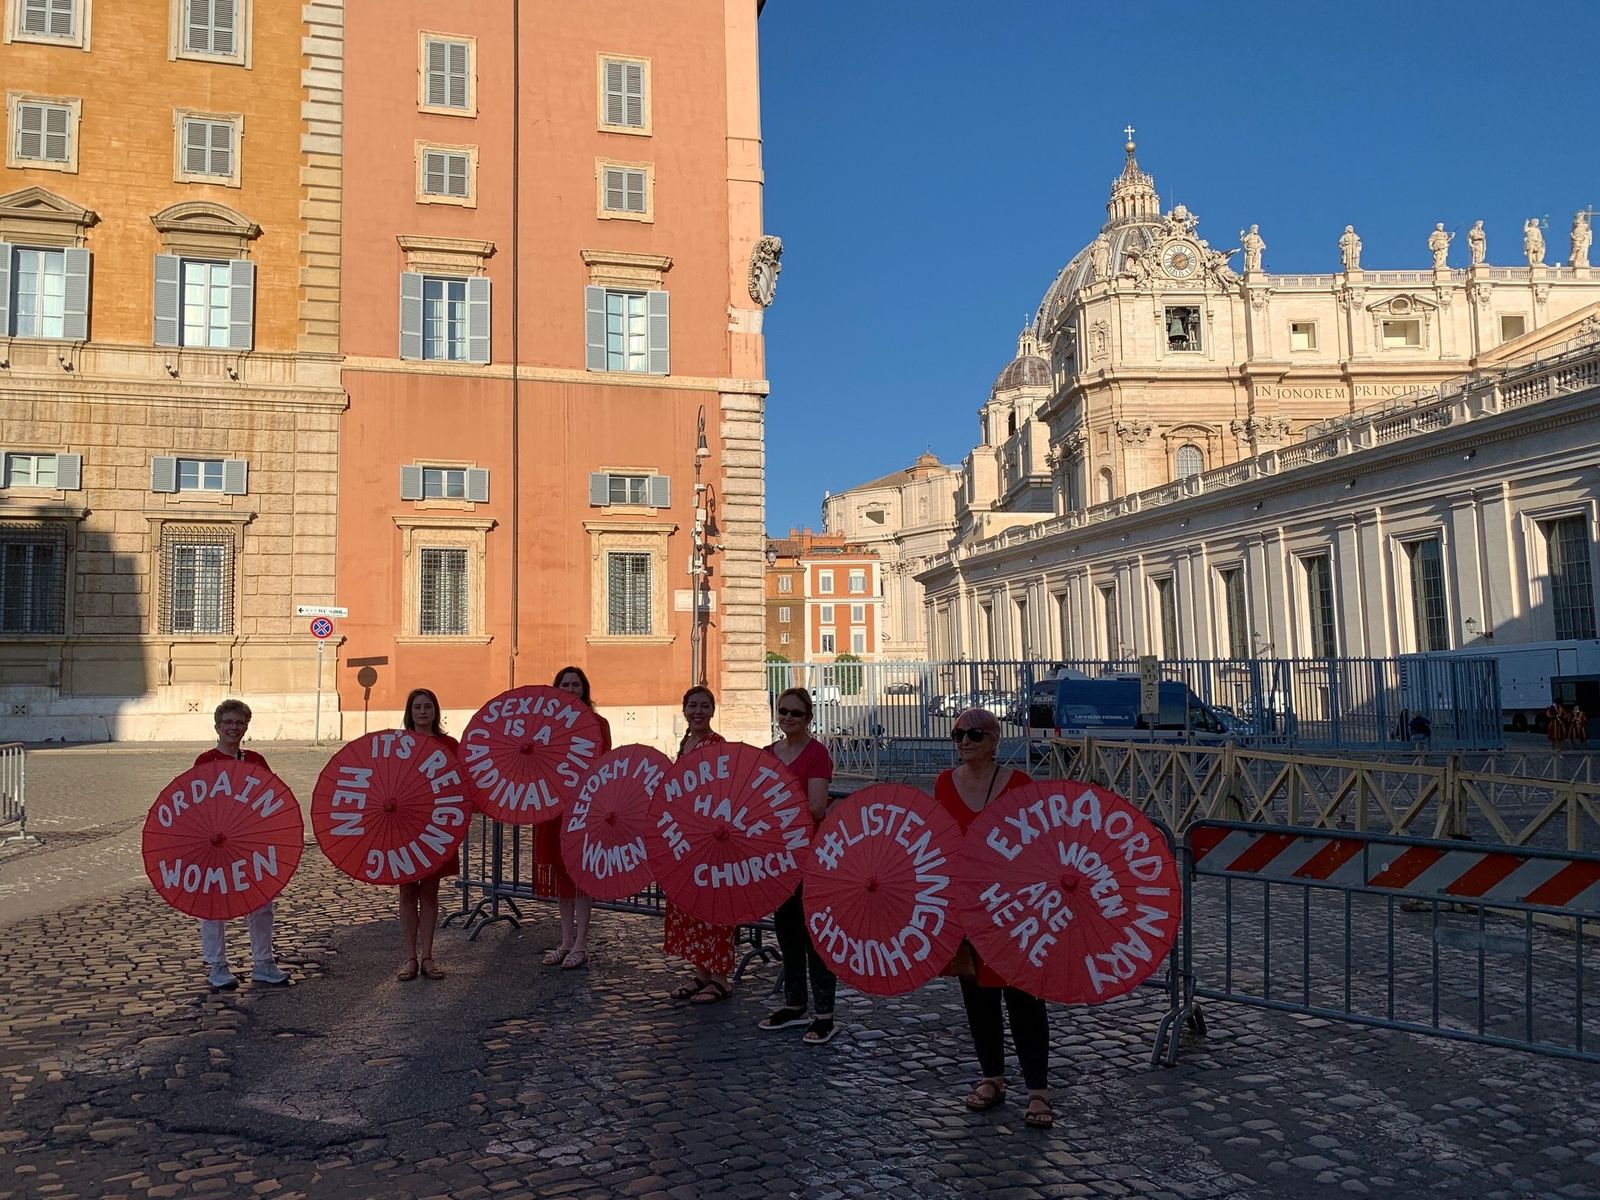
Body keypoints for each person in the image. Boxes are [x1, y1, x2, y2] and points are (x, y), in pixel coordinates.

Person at [934, 707, 1053, 1129]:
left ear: (995, 741)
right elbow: (938, 842)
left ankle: (1037, 1090)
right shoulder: (944, 784)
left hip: (1015, 909)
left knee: (1024, 997)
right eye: (958, 735)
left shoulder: (1019, 784)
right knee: (977, 996)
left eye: (975, 735)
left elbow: (1041, 843)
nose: (965, 741)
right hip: (967, 906)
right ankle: (992, 1076)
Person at [756, 687, 838, 1045]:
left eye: (796, 713)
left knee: (814, 935)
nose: (788, 718)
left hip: (809, 856)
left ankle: (824, 1014)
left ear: (809, 718)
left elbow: (817, 807)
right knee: (787, 930)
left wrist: (779, 812)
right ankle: (795, 1004)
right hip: (778, 858)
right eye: (783, 711)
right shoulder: (767, 754)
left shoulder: (816, 754)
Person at [195, 700, 290, 991]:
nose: (233, 728)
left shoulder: (256, 761)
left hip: (251, 843)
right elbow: (197, 803)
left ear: (246, 726)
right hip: (216, 844)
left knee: (262, 903)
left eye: (239, 723)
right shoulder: (205, 761)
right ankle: (217, 965)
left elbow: (271, 797)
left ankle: (264, 963)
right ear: (217, 726)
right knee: (214, 905)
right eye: (228, 723)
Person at [662, 685, 736, 1005]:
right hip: (688, 838)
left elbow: (720, 789)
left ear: (713, 711)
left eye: (704, 706)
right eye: (693, 705)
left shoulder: (715, 744)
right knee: (694, 906)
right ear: (684, 710)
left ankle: (720, 978)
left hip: (711, 839)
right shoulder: (686, 743)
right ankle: (702, 973)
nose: (698, 712)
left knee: (714, 907)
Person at [535, 666, 612, 969]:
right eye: (565, 684)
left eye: (575, 684)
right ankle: (566, 940)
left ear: (584, 688)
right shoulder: (545, 726)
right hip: (552, 808)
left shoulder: (597, 723)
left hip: (583, 809)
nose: (570, 689)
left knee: (581, 877)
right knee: (561, 877)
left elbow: (602, 761)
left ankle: (581, 943)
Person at [395, 688, 458, 981]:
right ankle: (410, 958)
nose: (423, 711)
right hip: (405, 826)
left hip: (436, 827)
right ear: (411, 711)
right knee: (407, 891)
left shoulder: (449, 745)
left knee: (430, 891)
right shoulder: (398, 744)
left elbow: (459, 785)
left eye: (428, 706)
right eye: (418, 707)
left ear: (436, 710)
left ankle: (429, 956)